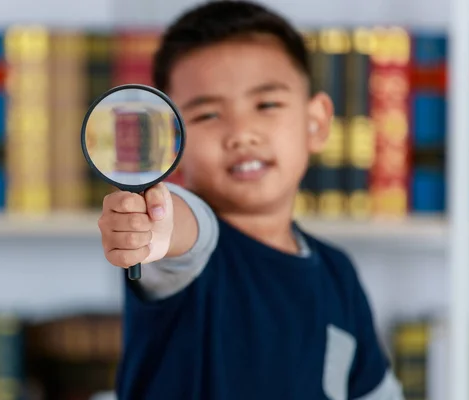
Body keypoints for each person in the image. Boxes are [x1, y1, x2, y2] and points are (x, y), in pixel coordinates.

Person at [96, 1, 404, 399]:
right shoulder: (186, 251)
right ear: (169, 141)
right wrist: (155, 226)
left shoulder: (337, 273)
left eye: (267, 104)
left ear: (317, 122)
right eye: (207, 114)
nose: (241, 133)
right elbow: (185, 230)